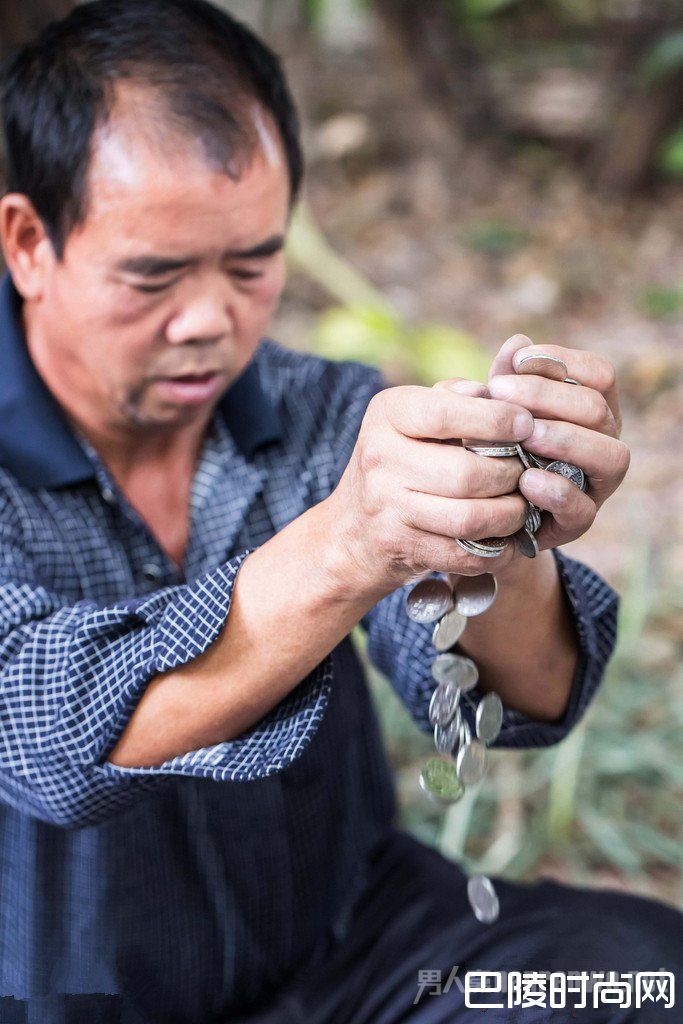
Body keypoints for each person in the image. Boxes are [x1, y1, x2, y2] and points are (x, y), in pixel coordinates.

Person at [0, 1, 679, 1022]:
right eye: (153, 274)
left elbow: (524, 696)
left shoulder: (317, 411)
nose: (210, 320)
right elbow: (38, 733)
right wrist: (342, 545)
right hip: (59, 990)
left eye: (252, 263)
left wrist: (500, 525)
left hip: (351, 948)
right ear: (27, 242)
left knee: (639, 972)